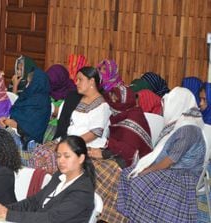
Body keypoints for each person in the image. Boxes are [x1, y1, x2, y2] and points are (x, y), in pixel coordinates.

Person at [117, 87, 206, 222]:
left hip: (183, 175)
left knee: (139, 183)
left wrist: (148, 170)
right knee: (127, 174)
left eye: (168, 105)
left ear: (177, 105)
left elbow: (170, 160)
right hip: (171, 169)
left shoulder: (188, 129)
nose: (164, 110)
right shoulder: (179, 124)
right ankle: (131, 217)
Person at [0, 135, 95, 223]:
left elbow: (51, 218)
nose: (60, 161)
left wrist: (8, 214)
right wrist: (5, 209)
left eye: (66, 156)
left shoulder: (83, 190)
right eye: (58, 156)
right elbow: (34, 201)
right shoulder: (59, 176)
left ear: (81, 158)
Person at [87, 86, 152, 223]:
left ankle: (103, 212)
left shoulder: (134, 117)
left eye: (116, 99)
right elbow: (118, 145)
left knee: (100, 171)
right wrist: (103, 151)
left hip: (136, 166)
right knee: (88, 162)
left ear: (125, 101)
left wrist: (104, 153)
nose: (112, 102)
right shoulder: (121, 115)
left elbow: (130, 153)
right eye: (112, 98)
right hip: (119, 156)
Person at [54, 66, 111, 148]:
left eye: (80, 80)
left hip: (86, 147)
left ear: (91, 81)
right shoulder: (78, 99)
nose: (76, 83)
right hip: (69, 142)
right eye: (76, 80)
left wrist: (70, 144)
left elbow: (94, 133)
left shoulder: (102, 105)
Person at [0, 68, 51, 148]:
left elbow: (32, 128)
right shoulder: (28, 95)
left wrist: (10, 124)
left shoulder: (41, 103)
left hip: (29, 143)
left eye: (29, 83)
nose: (26, 86)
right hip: (14, 133)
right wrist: (6, 121)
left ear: (36, 84)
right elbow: (15, 111)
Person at [43, 64, 76, 142]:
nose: (50, 84)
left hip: (60, 129)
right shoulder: (46, 88)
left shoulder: (72, 93)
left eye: (53, 82)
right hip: (43, 124)